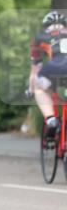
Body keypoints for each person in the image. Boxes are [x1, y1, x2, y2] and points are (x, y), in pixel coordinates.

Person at [30, 10, 67, 139]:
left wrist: (30, 89)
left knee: (39, 88)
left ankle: (51, 120)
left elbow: (36, 68)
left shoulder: (40, 37)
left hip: (55, 67)